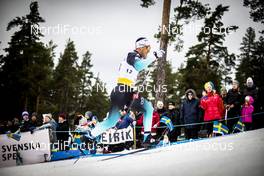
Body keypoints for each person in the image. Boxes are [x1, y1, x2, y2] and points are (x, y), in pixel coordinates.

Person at [85, 37, 165, 144]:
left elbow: (138, 67)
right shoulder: (132, 55)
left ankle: (90, 135)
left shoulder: (135, 57)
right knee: (147, 109)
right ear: (140, 48)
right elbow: (139, 66)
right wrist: (154, 57)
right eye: (147, 48)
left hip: (124, 91)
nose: (148, 51)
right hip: (123, 91)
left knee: (113, 120)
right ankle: (147, 137)